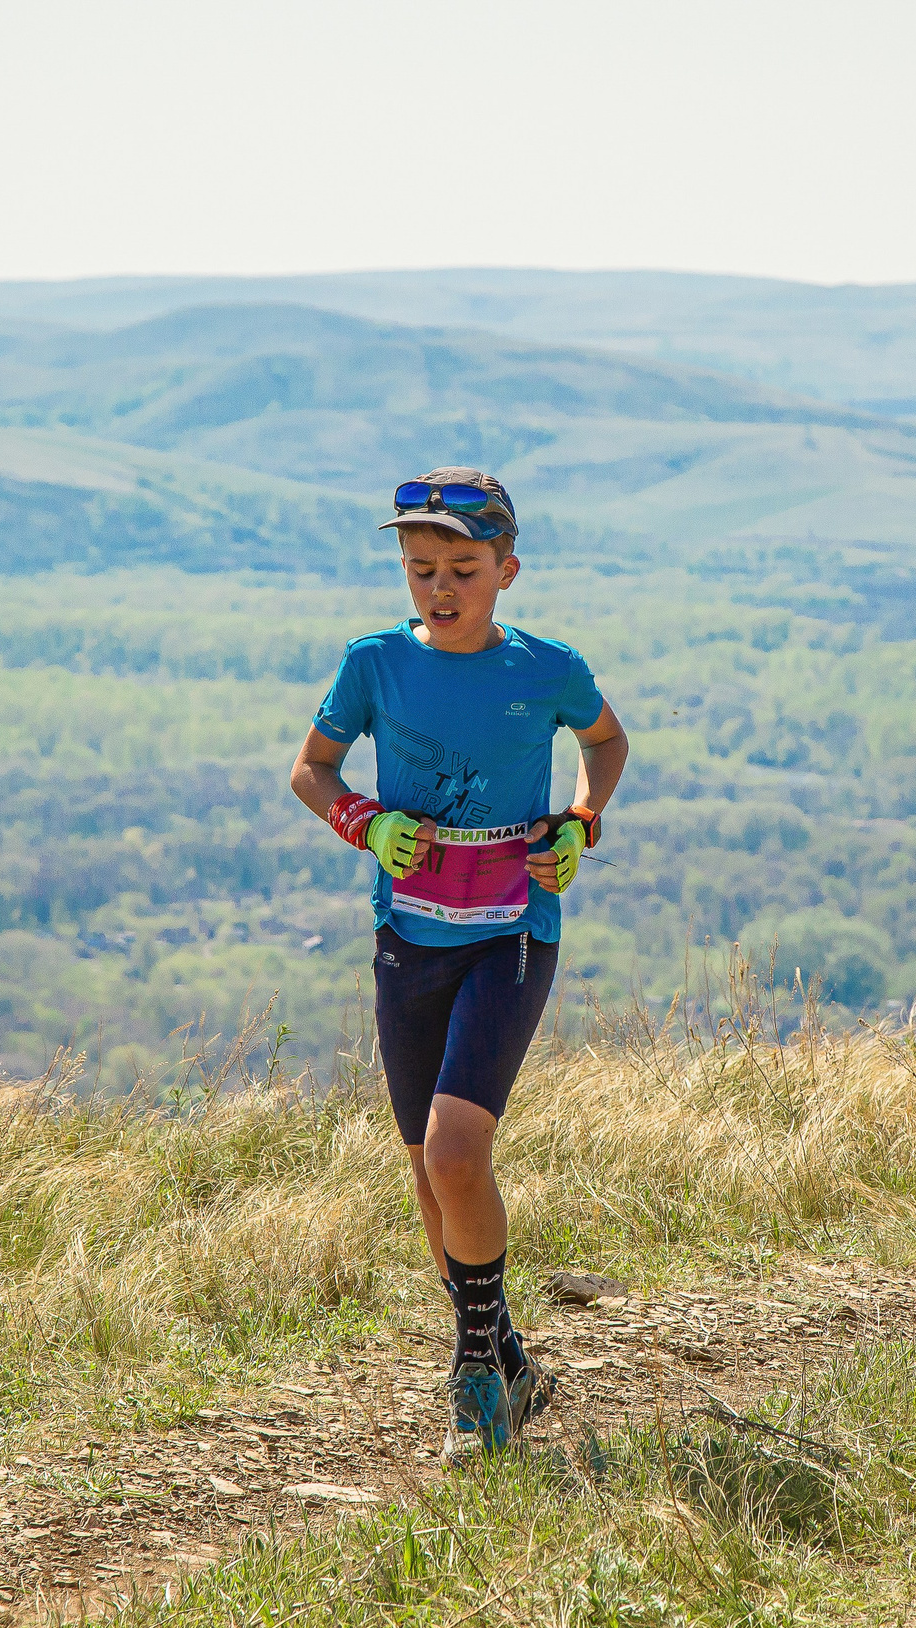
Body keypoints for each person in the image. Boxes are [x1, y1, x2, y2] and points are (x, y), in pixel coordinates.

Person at [289, 467, 629, 1464]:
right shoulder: (372, 663)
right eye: (420, 568)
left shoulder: (548, 666)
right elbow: (311, 767)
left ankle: (473, 1379)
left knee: (452, 1151)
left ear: (506, 570)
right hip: (409, 937)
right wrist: (365, 821)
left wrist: (581, 817)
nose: (439, 587)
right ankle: (509, 1357)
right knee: (428, 1177)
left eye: (462, 569)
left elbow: (605, 741)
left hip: (513, 930)